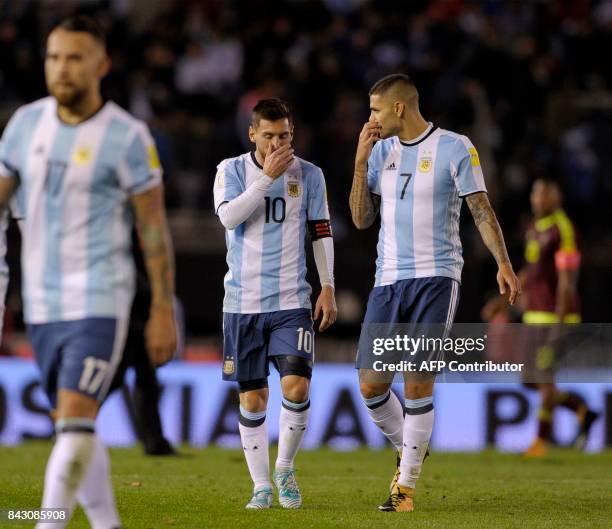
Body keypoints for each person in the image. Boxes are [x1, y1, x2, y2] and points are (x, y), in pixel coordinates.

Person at [0, 15, 176, 529]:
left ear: (101, 64)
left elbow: (155, 230)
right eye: (54, 57)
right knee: (73, 431)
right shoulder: (24, 126)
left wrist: (162, 308)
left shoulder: (126, 136)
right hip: (42, 304)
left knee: (74, 426)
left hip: (100, 299)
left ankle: (42, 521)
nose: (62, 68)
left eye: (75, 57)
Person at [349, 73, 520, 512]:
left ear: (399, 108)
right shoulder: (380, 151)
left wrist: (503, 262)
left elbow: (481, 208)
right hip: (387, 280)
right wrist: (359, 161)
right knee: (371, 384)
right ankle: (411, 445)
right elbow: (361, 219)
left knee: (417, 378)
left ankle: (403, 490)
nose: (370, 118)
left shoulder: (455, 147)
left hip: (436, 277)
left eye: (374, 109)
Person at [214, 98, 337, 509]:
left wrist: (328, 286)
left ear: (292, 133)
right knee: (253, 399)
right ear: (253, 134)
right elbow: (230, 218)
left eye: (284, 135)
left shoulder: (311, 176)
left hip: (291, 300)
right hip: (242, 302)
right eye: (268, 136)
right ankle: (260, 486)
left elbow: (320, 232)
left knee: (296, 386)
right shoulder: (230, 170)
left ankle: (284, 467)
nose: (277, 143)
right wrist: (266, 179)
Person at [519, 177, 598, 457]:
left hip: (554, 317)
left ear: (557, 199)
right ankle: (582, 411)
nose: (539, 199)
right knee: (528, 380)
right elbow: (533, 271)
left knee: (544, 380)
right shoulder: (534, 227)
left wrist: (559, 325)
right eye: (536, 193)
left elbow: (567, 282)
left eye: (545, 194)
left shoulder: (563, 229)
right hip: (533, 316)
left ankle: (540, 442)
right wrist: (504, 299)